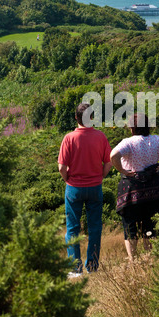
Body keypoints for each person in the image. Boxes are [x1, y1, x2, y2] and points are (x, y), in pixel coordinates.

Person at [110, 113, 159, 261]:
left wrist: (123, 171)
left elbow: (113, 155)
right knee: (149, 225)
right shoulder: (156, 140)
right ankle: (150, 258)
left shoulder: (128, 142)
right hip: (153, 189)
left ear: (131, 128)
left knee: (130, 226)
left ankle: (134, 262)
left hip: (131, 189)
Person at [58, 103, 112, 277]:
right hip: (95, 187)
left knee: (72, 228)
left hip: (74, 188)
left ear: (76, 117)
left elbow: (61, 167)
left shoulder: (69, 138)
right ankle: (93, 266)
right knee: (95, 228)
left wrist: (68, 179)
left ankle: (75, 268)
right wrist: (100, 177)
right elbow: (109, 163)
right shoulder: (101, 137)